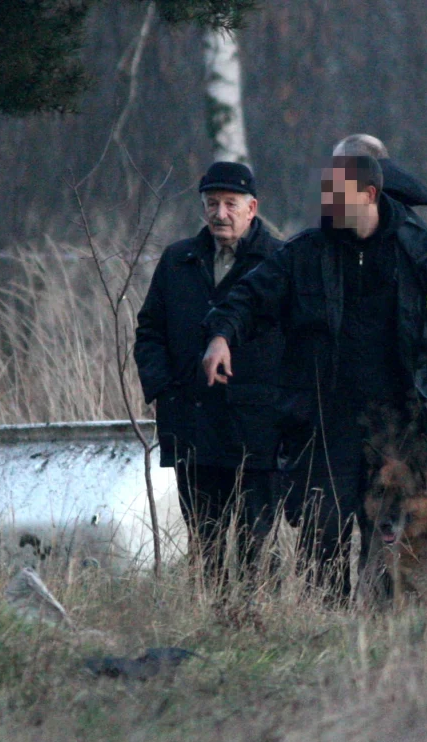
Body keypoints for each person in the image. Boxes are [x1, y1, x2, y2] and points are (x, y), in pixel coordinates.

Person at [202, 144, 427, 591]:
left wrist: (422, 366)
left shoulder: (419, 253)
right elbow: (247, 298)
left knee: (391, 534)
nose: (327, 203)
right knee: (319, 531)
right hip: (322, 418)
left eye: (337, 194)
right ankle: (325, 628)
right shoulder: (306, 253)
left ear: (367, 194)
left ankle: (382, 632)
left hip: (397, 422)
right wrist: (221, 336)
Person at [134, 161, 284, 585]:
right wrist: (165, 387)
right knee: (205, 539)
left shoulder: (278, 261)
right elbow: (149, 330)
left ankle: (257, 619)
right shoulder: (178, 260)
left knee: (256, 540)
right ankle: (213, 620)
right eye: (212, 204)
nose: (220, 214)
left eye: (231, 204)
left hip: (256, 429)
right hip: (192, 423)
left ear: (252, 208)